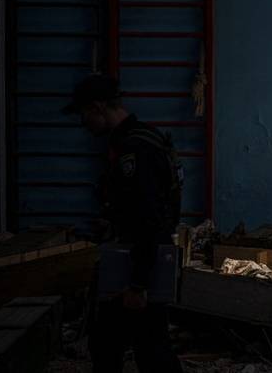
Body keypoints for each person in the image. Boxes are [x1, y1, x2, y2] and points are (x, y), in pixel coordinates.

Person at [63, 73, 183, 373]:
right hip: (141, 257)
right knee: (136, 345)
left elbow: (147, 218)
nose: (83, 122)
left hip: (140, 262)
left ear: (99, 107)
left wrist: (139, 284)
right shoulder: (143, 139)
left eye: (85, 113)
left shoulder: (134, 150)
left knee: (140, 349)